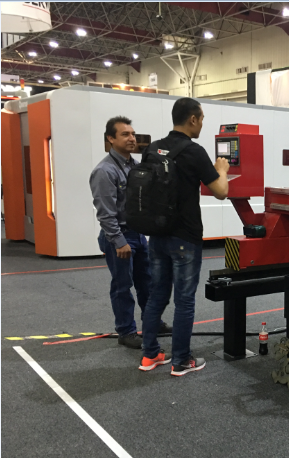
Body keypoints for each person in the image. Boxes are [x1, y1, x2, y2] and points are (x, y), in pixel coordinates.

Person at [139, 98, 230, 376]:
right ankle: (181, 360)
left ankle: (150, 355)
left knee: (157, 296)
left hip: (157, 235)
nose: (201, 124)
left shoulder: (153, 148)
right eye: (201, 119)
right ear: (192, 119)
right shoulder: (194, 151)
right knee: (184, 300)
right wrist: (222, 170)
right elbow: (221, 191)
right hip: (185, 237)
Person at [89, 116, 171, 349]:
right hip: (120, 237)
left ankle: (152, 322)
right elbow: (105, 213)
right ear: (111, 138)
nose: (131, 138)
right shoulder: (104, 171)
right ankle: (126, 331)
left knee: (147, 283)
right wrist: (119, 241)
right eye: (125, 134)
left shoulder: (136, 167)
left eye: (133, 134)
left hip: (139, 235)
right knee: (122, 286)